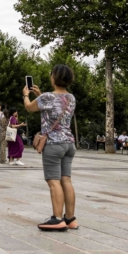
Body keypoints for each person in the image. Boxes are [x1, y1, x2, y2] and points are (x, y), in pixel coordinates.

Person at [24, 64, 78, 232]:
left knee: (53, 181)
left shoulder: (47, 97)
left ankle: (56, 219)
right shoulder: (71, 98)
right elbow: (55, 109)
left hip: (54, 144)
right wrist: (39, 95)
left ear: (55, 77)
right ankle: (70, 219)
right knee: (66, 180)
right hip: (69, 143)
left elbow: (29, 107)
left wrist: (26, 95)